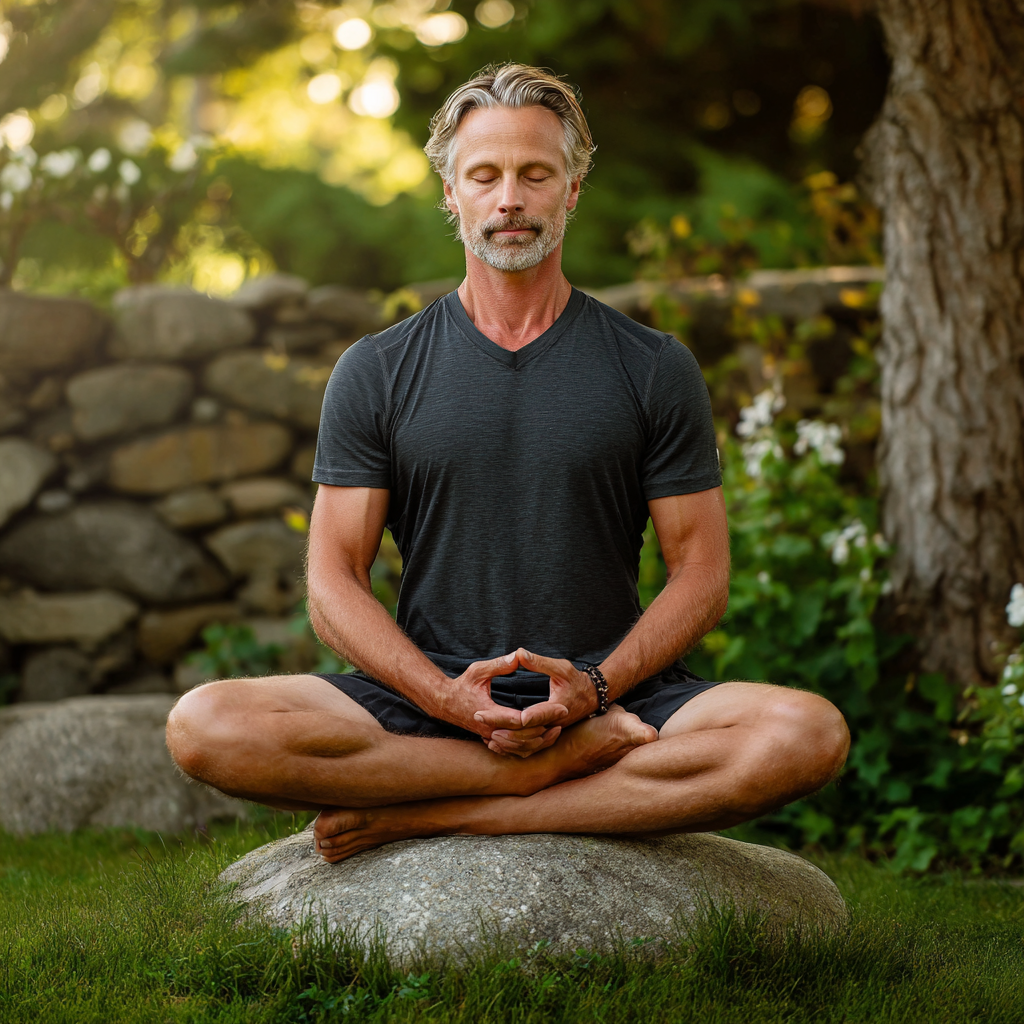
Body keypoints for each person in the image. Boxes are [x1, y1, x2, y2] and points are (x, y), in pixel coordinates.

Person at [166, 64, 849, 864]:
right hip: (427, 698)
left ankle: (457, 810)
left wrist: (595, 691)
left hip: (616, 701)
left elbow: (700, 572)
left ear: (572, 190)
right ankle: (529, 780)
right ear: (451, 194)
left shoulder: (652, 366)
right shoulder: (377, 369)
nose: (510, 199)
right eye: (484, 175)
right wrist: (447, 700)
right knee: (205, 725)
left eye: (535, 174)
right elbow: (333, 582)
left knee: (807, 734)